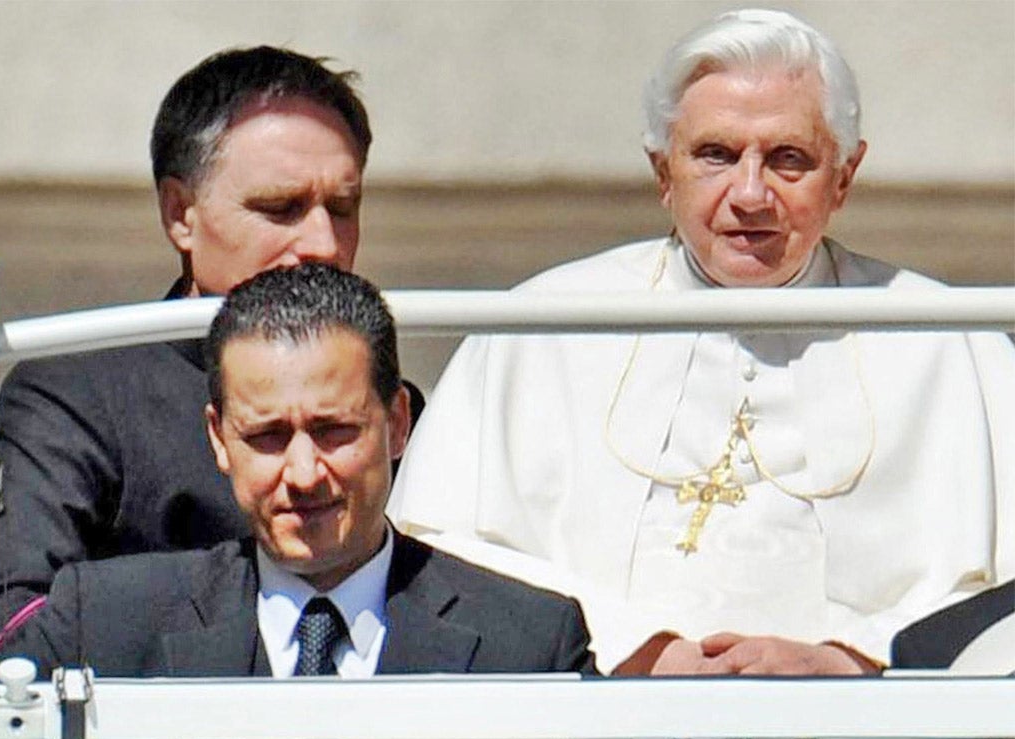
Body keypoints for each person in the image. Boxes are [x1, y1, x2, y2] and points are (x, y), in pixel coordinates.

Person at [388, 9, 1015, 675]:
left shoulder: (949, 339)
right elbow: (437, 554)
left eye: (788, 159)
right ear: (664, 172)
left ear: (844, 177)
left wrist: (856, 658)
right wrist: (633, 647)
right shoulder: (539, 328)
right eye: (715, 155)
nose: (750, 194)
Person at [0, 46, 425, 641]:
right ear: (180, 215)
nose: (324, 243)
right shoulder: (75, 396)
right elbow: (17, 639)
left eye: (343, 208)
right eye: (281, 208)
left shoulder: (399, 404)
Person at [0, 264, 596, 679]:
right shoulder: (102, 625)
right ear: (219, 439)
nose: (305, 473)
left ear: (397, 424)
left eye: (335, 431)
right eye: (267, 437)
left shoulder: (530, 644)